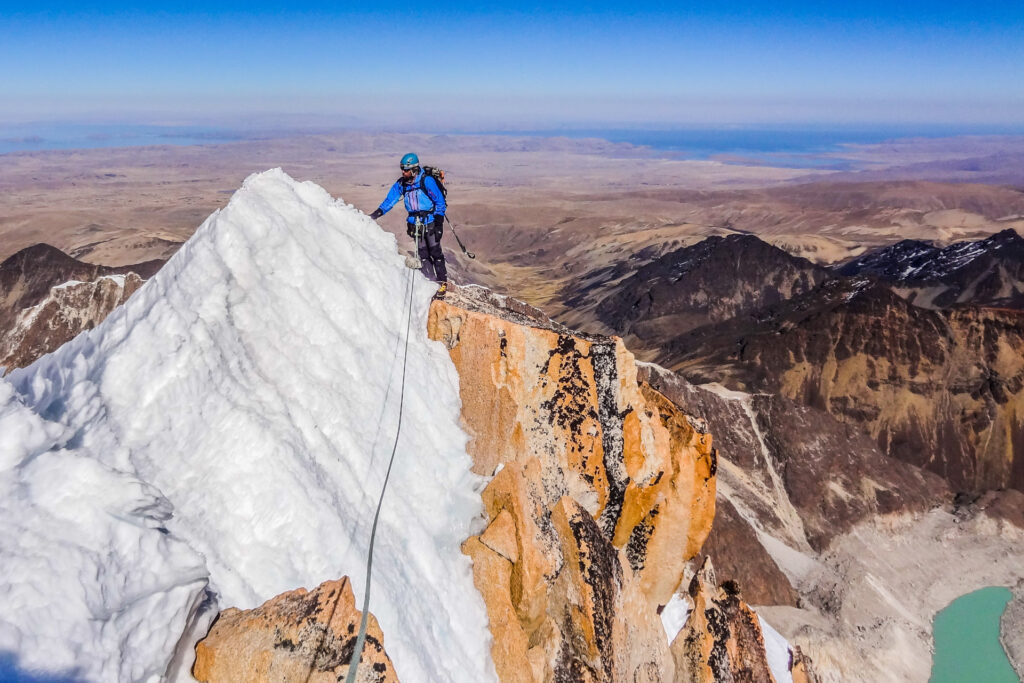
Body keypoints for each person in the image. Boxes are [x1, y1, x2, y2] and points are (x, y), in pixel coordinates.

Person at [369, 153, 448, 297]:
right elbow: (390, 201)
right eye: (402, 169)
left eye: (405, 170)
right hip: (415, 224)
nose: (403, 172)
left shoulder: (427, 181)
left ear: (413, 169)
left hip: (430, 221)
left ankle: (442, 283)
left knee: (436, 253)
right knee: (423, 255)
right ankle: (429, 282)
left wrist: (439, 224)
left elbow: (440, 202)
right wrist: (376, 214)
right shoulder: (402, 184)